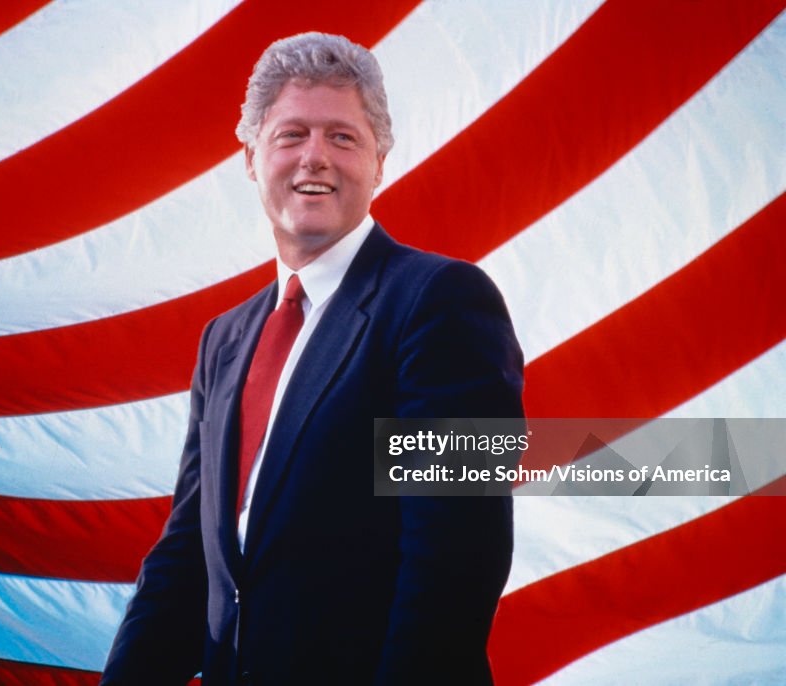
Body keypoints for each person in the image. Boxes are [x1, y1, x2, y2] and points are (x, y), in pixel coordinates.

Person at [100, 32, 524, 686]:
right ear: (250, 158)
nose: (315, 158)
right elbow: (189, 557)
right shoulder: (225, 340)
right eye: (291, 134)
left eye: (343, 137)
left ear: (380, 160)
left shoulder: (445, 302)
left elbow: (456, 562)